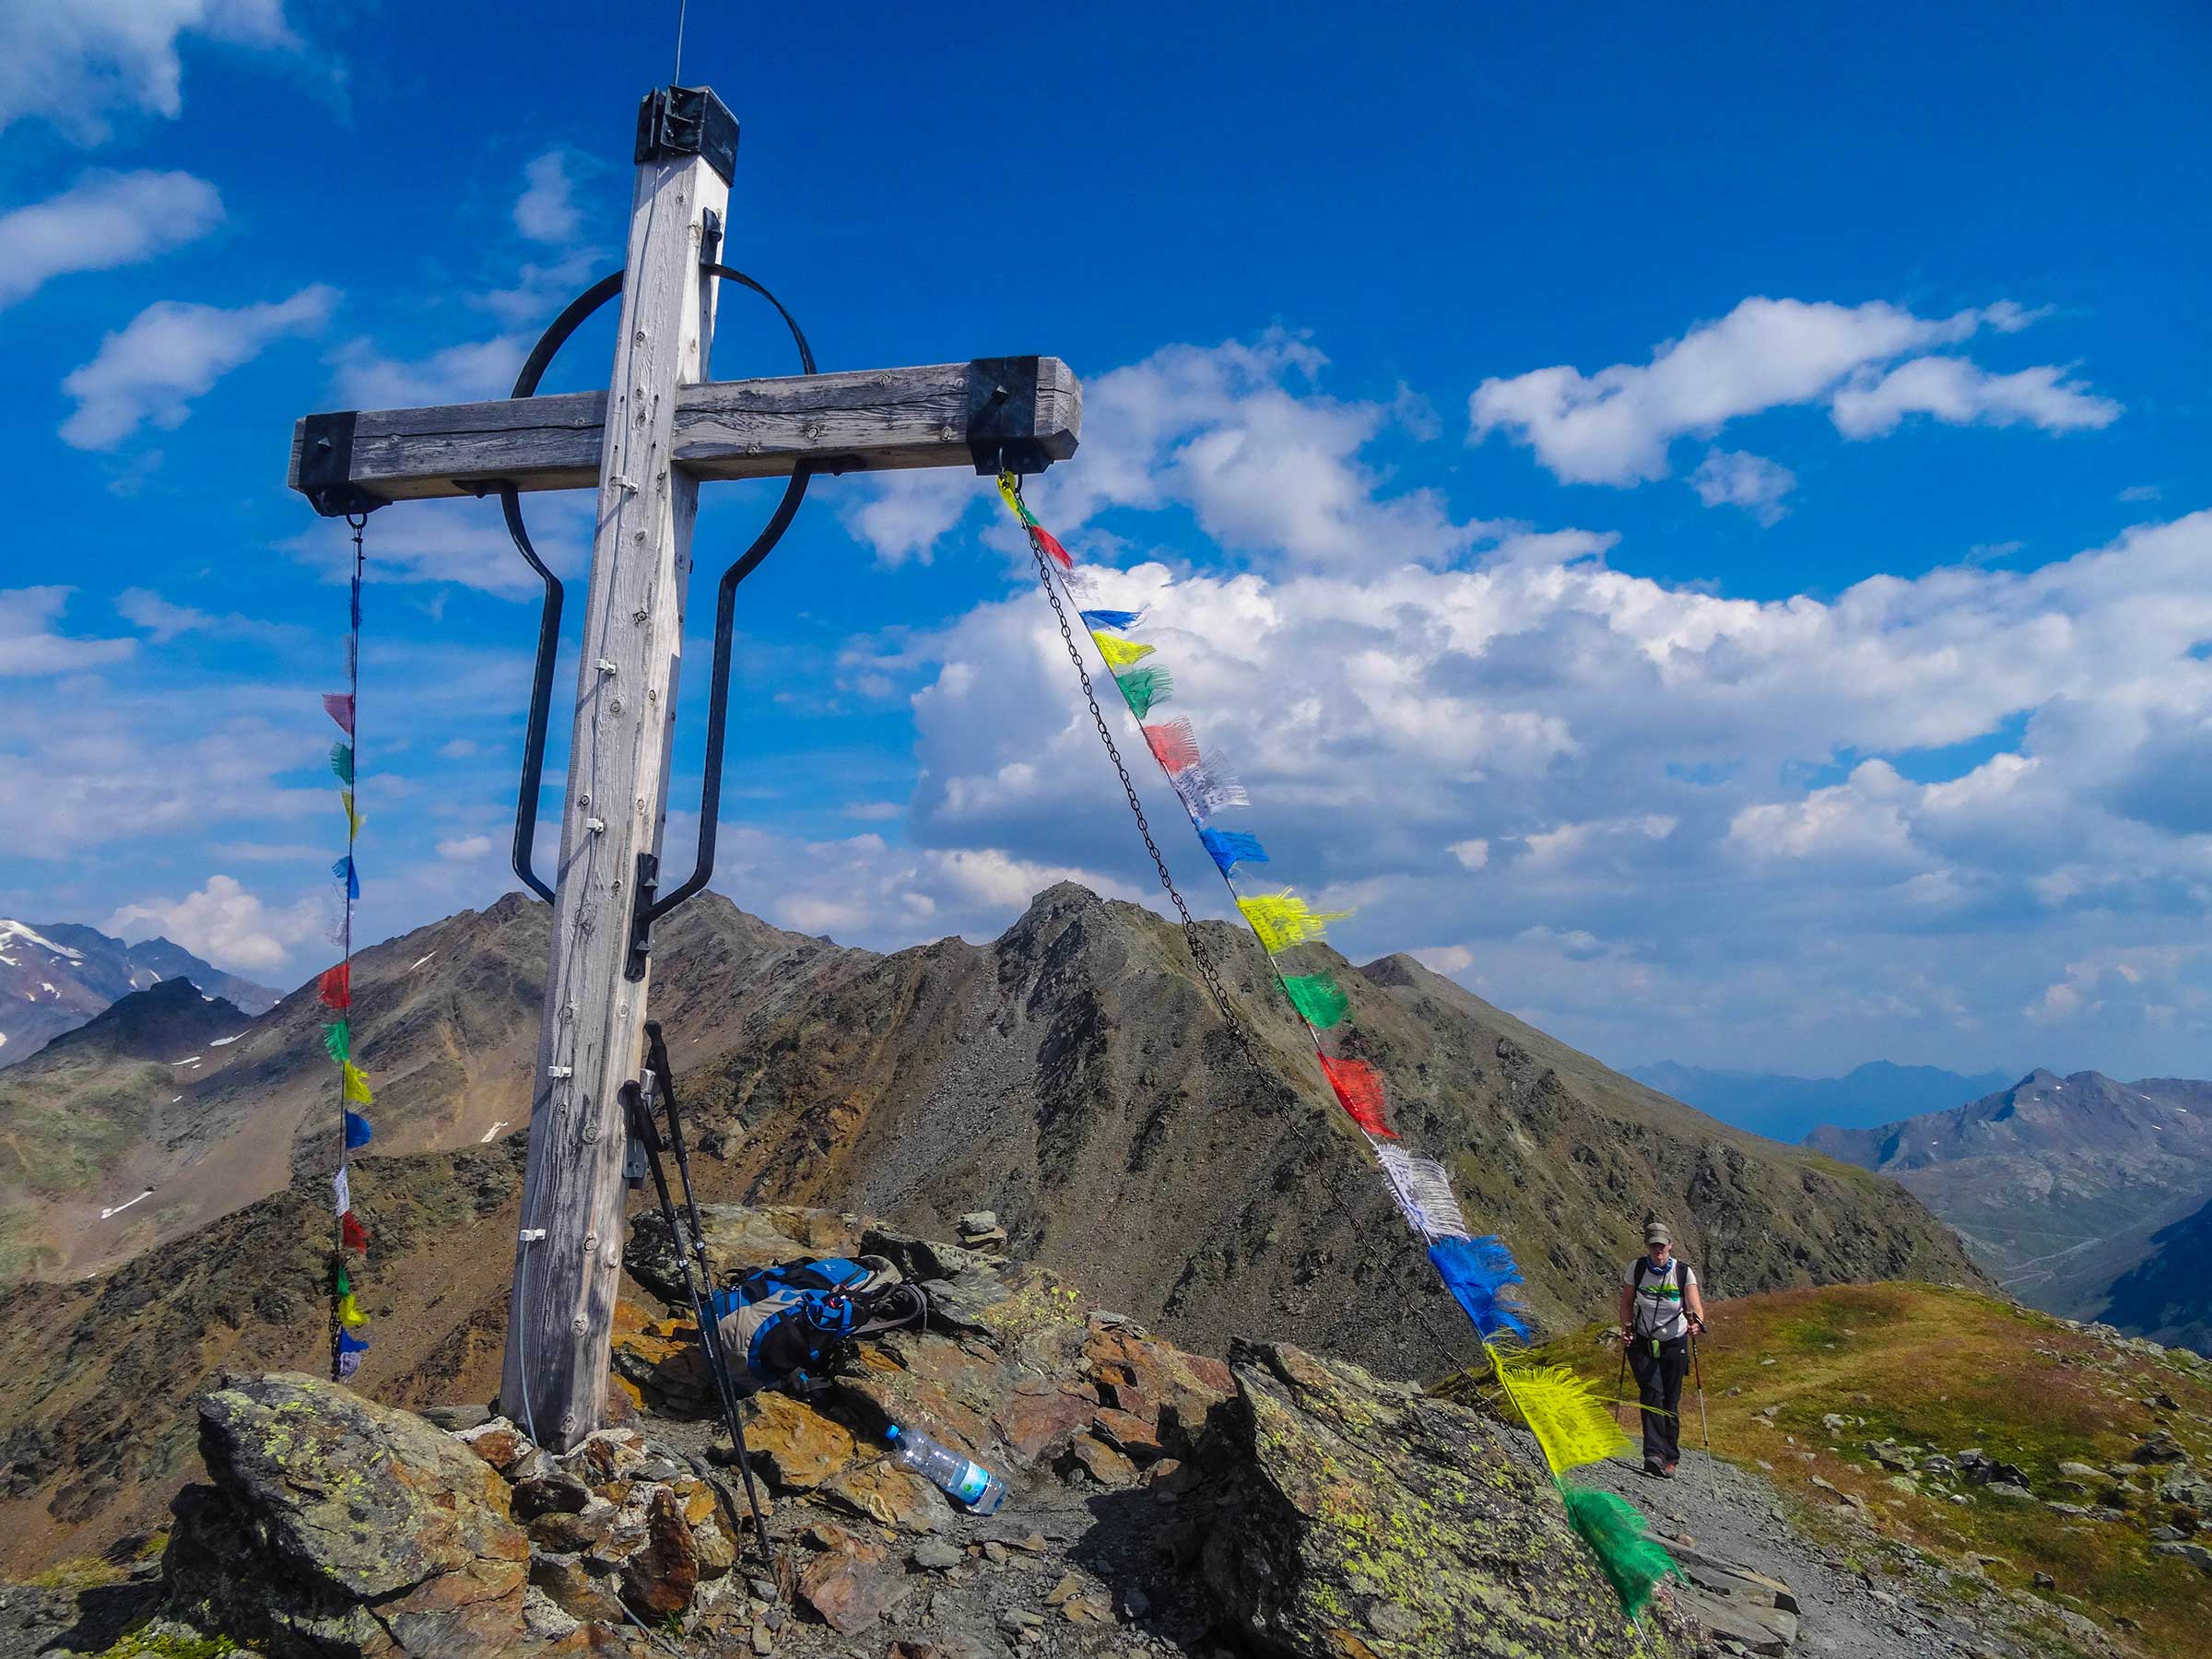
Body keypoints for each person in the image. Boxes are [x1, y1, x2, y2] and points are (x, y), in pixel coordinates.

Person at [1617, 1217, 1706, 1477]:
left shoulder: (1682, 1272)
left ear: (1670, 1246)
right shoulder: (1637, 1269)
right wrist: (1627, 1325)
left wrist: (1697, 1323)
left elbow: (1694, 1304)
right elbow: (1626, 1302)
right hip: (1643, 1339)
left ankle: (1671, 1457)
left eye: (1662, 1246)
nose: (1658, 1251)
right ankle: (1653, 1454)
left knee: (1671, 1398)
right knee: (1652, 1393)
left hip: (1674, 1340)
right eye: (1653, 1246)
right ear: (1647, 1246)